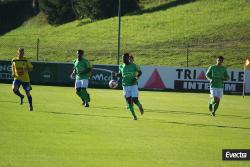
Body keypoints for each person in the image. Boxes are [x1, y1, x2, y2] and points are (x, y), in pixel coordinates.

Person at [117, 53, 144, 120]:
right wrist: (116, 74)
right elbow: (121, 74)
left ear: (128, 58)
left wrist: (136, 78)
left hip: (133, 85)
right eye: (122, 58)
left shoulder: (133, 65)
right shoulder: (121, 66)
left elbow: (140, 72)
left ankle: (140, 106)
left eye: (124, 58)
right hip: (125, 86)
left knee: (134, 100)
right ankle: (134, 116)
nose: (123, 59)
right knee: (129, 102)